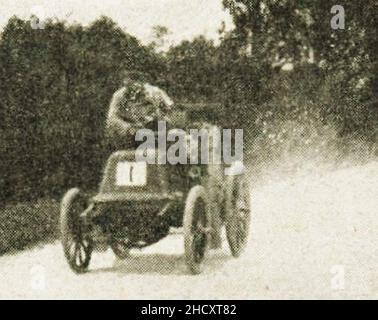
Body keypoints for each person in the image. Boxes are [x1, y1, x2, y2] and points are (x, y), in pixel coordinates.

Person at [105, 71, 174, 150]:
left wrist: (163, 119)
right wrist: (128, 128)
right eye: (128, 87)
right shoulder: (119, 95)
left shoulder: (155, 92)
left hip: (153, 127)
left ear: (142, 84)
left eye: (134, 87)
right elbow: (112, 117)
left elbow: (170, 108)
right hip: (131, 131)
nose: (132, 91)